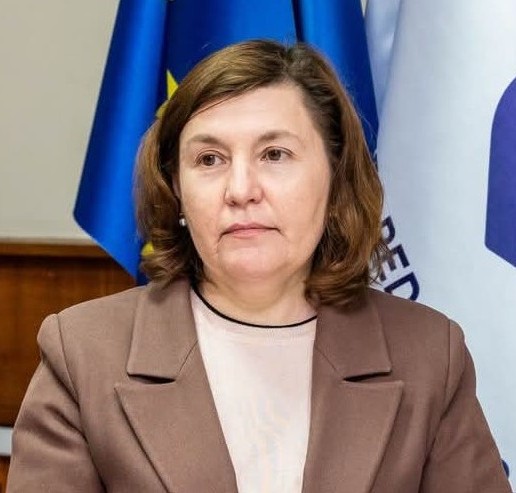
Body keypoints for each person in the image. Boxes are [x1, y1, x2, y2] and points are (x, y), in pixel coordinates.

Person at [7, 40, 510, 493]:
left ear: (335, 178)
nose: (241, 189)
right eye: (209, 159)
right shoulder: (84, 353)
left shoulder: (428, 354)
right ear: (176, 188)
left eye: (274, 154)